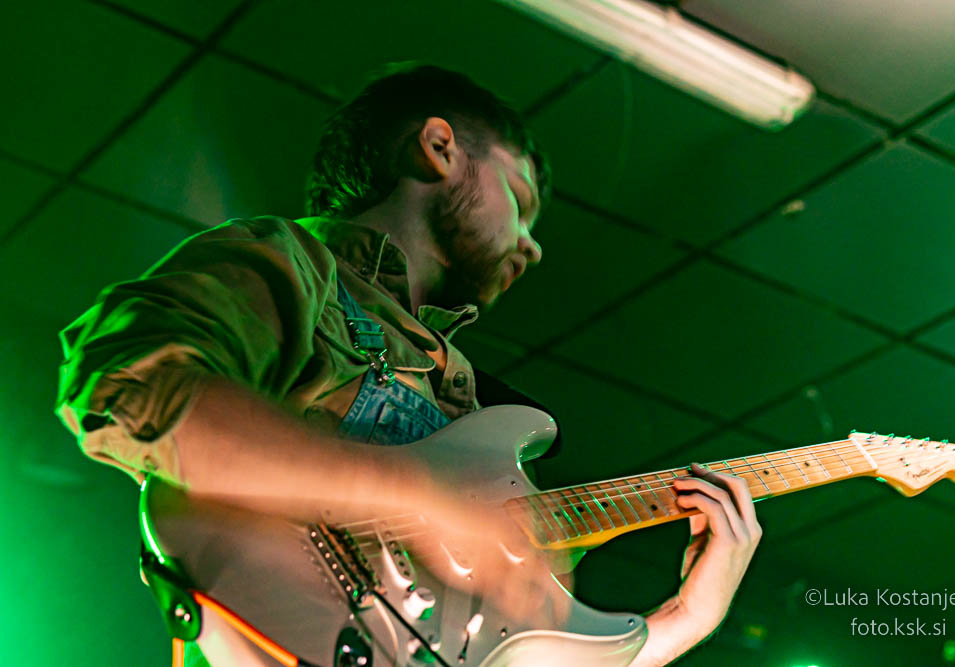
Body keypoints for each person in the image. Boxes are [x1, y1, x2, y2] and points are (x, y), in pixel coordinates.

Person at [56, 64, 762, 666]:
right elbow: (127, 384)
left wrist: (682, 623)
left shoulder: (480, 413)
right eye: (519, 202)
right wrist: (417, 495)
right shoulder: (291, 265)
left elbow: (496, 652)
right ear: (438, 147)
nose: (532, 245)